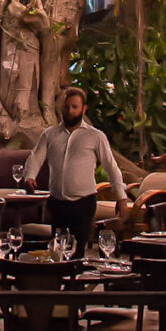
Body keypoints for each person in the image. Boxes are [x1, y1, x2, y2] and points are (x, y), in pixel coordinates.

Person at [24, 86, 130, 256]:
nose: (70, 111)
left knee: (76, 253)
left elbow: (111, 166)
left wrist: (121, 198)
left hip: (83, 203)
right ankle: (57, 282)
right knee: (58, 252)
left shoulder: (95, 136)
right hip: (57, 202)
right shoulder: (49, 134)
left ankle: (76, 281)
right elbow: (36, 157)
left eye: (75, 107)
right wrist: (29, 177)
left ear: (83, 109)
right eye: (67, 107)